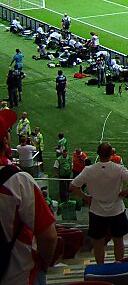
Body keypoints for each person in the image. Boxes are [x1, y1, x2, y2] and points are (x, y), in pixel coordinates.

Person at [0, 108, 58, 285]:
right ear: (4, 142)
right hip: (19, 277)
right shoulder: (18, 182)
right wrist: (44, 265)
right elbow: (48, 236)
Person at [70, 142, 128, 264]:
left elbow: (73, 186)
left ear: (98, 154)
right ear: (112, 154)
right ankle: (119, 264)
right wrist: (125, 192)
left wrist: (86, 197)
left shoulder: (89, 170)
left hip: (97, 210)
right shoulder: (118, 168)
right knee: (118, 240)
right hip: (116, 209)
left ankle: (100, 266)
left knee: (98, 241)